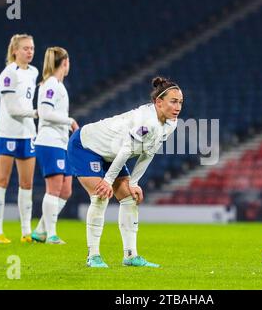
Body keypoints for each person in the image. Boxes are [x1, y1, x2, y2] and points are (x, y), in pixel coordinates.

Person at [67, 76, 183, 268]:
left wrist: (134, 183)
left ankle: (130, 256)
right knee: (100, 196)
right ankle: (93, 256)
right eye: (173, 101)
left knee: (130, 198)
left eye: (180, 102)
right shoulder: (147, 122)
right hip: (86, 146)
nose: (178, 106)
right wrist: (107, 180)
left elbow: (148, 153)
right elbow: (127, 150)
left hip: (112, 154)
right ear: (159, 102)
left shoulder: (171, 123)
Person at [0, 34, 38, 243]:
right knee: (1, 181)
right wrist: (36, 114)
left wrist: (34, 118)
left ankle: (26, 232)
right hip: (7, 133)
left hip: (27, 134)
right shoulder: (8, 75)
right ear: (15, 51)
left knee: (26, 183)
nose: (30, 52)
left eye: (32, 48)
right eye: (26, 48)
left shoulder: (34, 72)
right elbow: (12, 109)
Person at [31, 47, 79, 244]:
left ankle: (41, 230)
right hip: (49, 141)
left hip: (60, 142)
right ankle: (51, 234)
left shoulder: (58, 85)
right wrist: (69, 121)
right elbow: (44, 112)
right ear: (65, 62)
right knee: (54, 188)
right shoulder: (50, 85)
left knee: (66, 190)